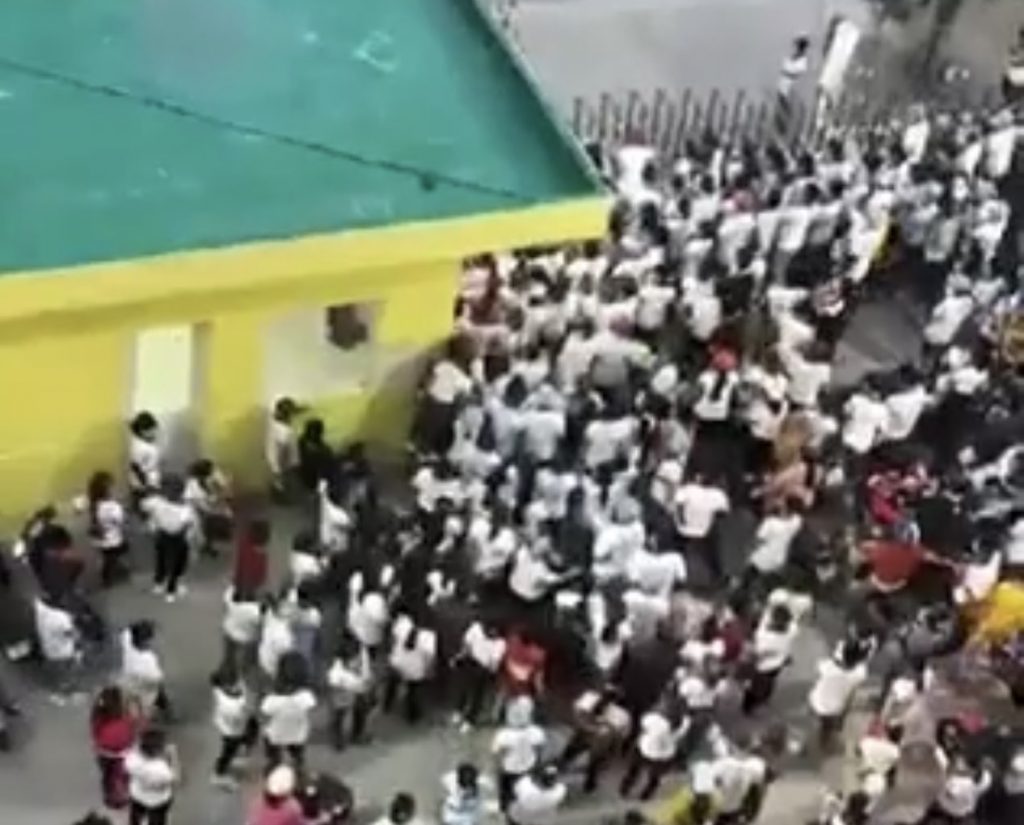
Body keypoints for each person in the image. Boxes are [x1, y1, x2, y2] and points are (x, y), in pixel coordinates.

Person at [143, 475, 197, 603]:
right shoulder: (158, 502)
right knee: (166, 561)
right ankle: (164, 585)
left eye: (174, 490)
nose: (170, 493)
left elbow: (189, 524)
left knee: (173, 562)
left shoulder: (184, 508)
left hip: (174, 537)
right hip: (168, 536)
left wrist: (189, 537)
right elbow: (144, 506)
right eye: (167, 489)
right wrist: (152, 523)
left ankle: (168, 586)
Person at [261, 651, 316, 771]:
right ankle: (297, 768)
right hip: (298, 735)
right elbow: (310, 711)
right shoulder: (307, 697)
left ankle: (274, 767)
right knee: (297, 754)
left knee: (273, 756)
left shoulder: (271, 699)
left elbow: (264, 716)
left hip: (275, 736)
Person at [808, 641, 868, 751]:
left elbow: (818, 667)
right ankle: (823, 741)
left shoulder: (828, 667)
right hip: (836, 708)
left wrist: (834, 660)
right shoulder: (859, 673)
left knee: (814, 721)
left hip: (818, 702)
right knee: (827, 727)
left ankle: (810, 741)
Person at [492, 696, 546, 811]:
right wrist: (537, 765)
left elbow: (497, 754)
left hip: (509, 769)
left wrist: (497, 769)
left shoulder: (503, 735)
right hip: (529, 768)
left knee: (505, 792)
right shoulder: (536, 732)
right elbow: (539, 751)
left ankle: (505, 808)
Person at [90, 685, 138, 809]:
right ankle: (120, 794)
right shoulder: (126, 716)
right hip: (120, 752)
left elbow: (95, 732)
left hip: (106, 752)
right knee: (120, 774)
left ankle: (113, 795)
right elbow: (134, 728)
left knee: (110, 775)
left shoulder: (99, 715)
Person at [385, 612, 438, 724]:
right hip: (415, 669)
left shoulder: (403, 622)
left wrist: (391, 654)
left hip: (397, 662)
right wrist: (430, 672)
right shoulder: (429, 636)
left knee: (392, 684)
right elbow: (429, 658)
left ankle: (386, 704)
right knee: (412, 692)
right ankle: (412, 716)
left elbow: (392, 639)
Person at [327, 633, 374, 750]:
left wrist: (365, 681)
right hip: (342, 693)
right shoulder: (336, 671)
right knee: (338, 716)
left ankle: (356, 734)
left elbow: (366, 671)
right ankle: (338, 739)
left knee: (360, 712)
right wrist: (347, 687)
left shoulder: (362, 653)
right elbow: (334, 684)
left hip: (357, 690)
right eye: (354, 659)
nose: (357, 661)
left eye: (357, 658)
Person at [83, 471, 129, 588]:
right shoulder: (113, 506)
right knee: (117, 553)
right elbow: (121, 521)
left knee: (107, 556)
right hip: (113, 540)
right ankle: (108, 575)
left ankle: (108, 570)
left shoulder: (92, 502)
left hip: (97, 539)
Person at [124, 726, 177, 825]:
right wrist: (173, 756)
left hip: (137, 794)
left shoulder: (131, 759)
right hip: (158, 800)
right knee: (157, 819)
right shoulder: (162, 769)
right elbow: (175, 778)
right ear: (158, 750)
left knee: (136, 815)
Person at [34, 593, 81, 703]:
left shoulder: (40, 610)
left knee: (59, 674)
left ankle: (60, 692)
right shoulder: (60, 617)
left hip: (49, 652)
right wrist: (78, 642)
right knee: (67, 674)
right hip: (63, 653)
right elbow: (71, 634)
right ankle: (64, 694)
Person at [210, 664, 252, 789]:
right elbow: (238, 718)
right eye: (235, 683)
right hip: (232, 731)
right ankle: (219, 773)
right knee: (228, 751)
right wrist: (246, 710)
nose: (239, 684)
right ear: (226, 686)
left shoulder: (219, 689)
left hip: (228, 724)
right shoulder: (230, 705)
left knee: (246, 734)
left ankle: (238, 752)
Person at [120, 621, 168, 721]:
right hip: (145, 689)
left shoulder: (127, 643)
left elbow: (126, 631)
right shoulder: (149, 658)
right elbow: (157, 682)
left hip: (128, 684)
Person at [184, 459, 232, 557]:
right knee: (198, 531)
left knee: (208, 528)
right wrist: (216, 500)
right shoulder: (193, 486)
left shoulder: (205, 480)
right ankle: (199, 548)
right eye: (211, 471)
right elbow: (200, 502)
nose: (213, 472)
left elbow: (214, 494)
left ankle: (207, 545)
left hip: (204, 508)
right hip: (197, 510)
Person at [267, 397, 302, 500]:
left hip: (284, 464)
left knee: (284, 482)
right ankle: (282, 496)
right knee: (283, 483)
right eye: (290, 414)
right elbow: (274, 452)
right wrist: (277, 470)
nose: (292, 417)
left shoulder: (278, 425)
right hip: (284, 466)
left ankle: (282, 493)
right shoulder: (281, 431)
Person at [128, 412, 161, 509]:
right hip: (144, 486)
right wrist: (146, 487)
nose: (154, 432)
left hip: (150, 483)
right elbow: (135, 467)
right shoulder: (140, 447)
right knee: (149, 510)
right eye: (151, 430)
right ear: (142, 431)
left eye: (154, 429)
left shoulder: (147, 443)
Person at [234, 520, 272, 595]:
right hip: (247, 581)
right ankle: (244, 593)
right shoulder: (252, 550)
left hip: (247, 580)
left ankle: (243, 592)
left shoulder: (248, 544)